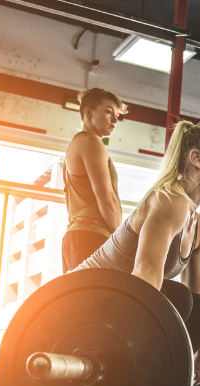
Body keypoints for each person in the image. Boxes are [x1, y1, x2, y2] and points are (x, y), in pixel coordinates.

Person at [76, 120, 200, 386]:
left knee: (199, 305)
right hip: (79, 300)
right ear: (196, 158)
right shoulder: (170, 200)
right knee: (175, 298)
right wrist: (142, 359)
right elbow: (146, 273)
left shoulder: (197, 223)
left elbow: (199, 297)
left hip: (116, 301)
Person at [61, 88, 128, 271]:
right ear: (88, 113)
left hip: (76, 237)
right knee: (96, 299)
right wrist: (123, 243)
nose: (115, 120)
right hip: (91, 236)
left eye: (116, 114)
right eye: (108, 112)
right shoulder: (91, 142)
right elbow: (106, 199)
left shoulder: (75, 145)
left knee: (80, 299)